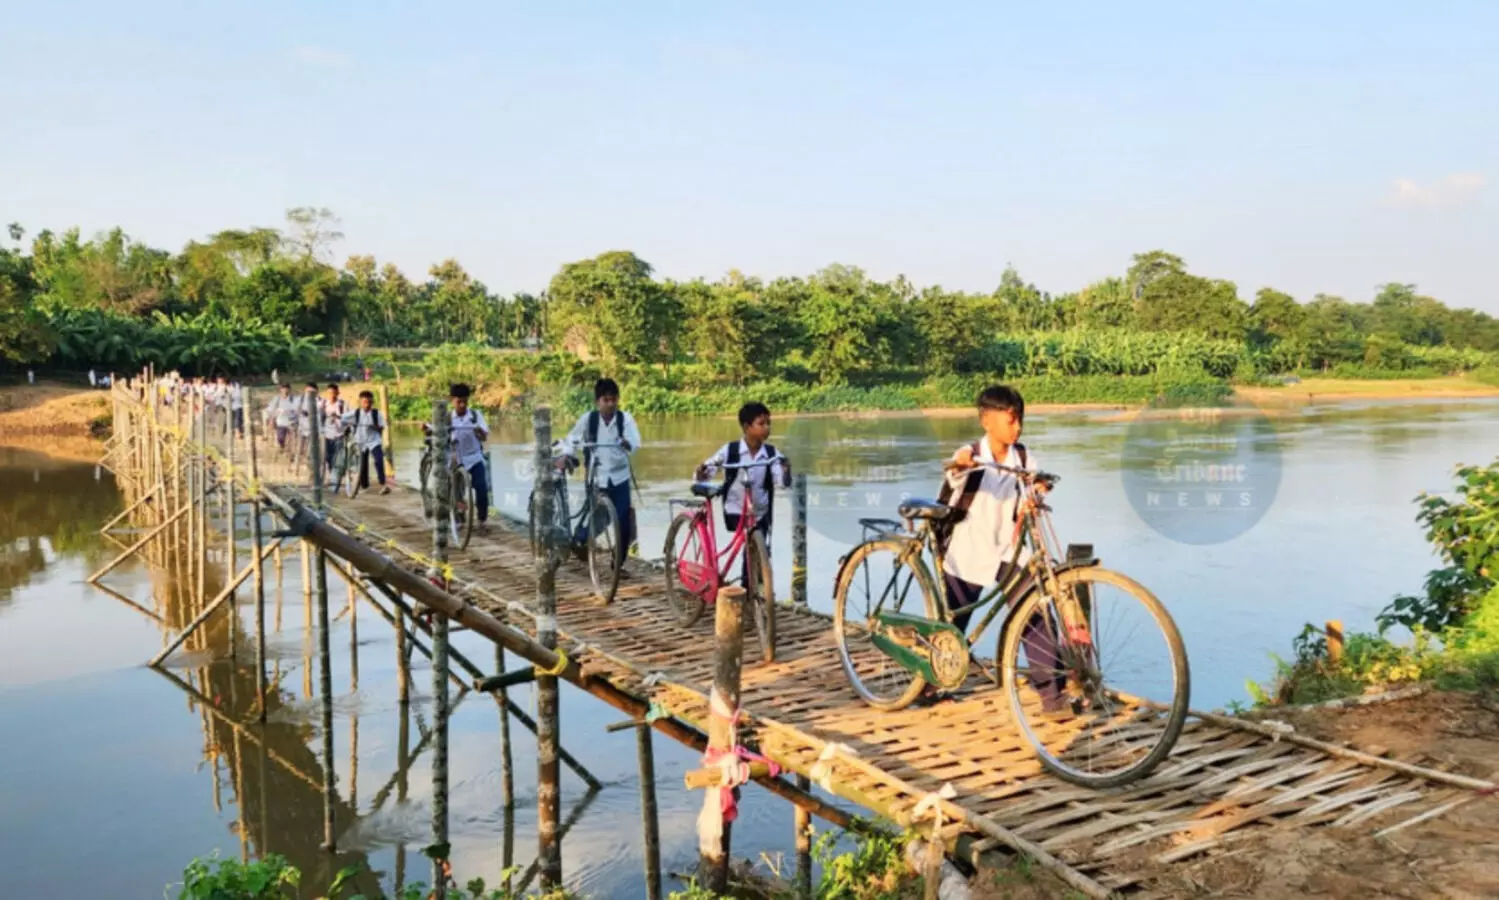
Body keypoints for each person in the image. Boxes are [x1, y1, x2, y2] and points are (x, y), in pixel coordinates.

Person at [938, 384, 1062, 712]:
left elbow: (1030, 491)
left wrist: (1035, 494)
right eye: (1010, 420)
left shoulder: (1023, 457)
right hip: (968, 549)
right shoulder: (971, 454)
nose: (1017, 427)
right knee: (953, 623)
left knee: (1033, 614)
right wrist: (961, 465)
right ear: (986, 421)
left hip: (1008, 549)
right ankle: (932, 683)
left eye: (1020, 419)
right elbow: (955, 473)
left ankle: (1053, 695)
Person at [694, 402, 791, 583]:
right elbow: (710, 469)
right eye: (761, 424)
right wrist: (702, 471)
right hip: (736, 509)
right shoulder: (730, 450)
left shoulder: (771, 453)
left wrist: (786, 471)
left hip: (760, 510)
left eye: (768, 423)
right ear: (747, 427)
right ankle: (748, 585)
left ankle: (750, 587)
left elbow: (781, 482)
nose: (767, 428)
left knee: (755, 549)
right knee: (750, 547)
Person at [559, 378, 642, 564]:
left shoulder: (625, 419)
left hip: (620, 477)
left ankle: (618, 563)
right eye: (606, 400)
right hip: (597, 477)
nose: (610, 404)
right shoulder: (589, 420)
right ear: (598, 402)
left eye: (614, 399)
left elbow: (635, 444)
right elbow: (572, 439)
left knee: (624, 520)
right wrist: (567, 455)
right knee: (600, 518)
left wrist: (626, 443)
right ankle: (580, 539)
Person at [436, 384, 491, 532]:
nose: (462, 405)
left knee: (481, 488)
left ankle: (482, 520)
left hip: (474, 457)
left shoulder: (475, 416)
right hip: (456, 459)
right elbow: (438, 436)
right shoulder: (447, 418)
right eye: (459, 401)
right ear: (452, 400)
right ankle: (459, 518)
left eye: (465, 401)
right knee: (456, 490)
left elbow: (484, 437)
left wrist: (479, 432)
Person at [344, 390, 389, 494]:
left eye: (369, 402)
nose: (367, 405)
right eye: (365, 402)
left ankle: (383, 483)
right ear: (360, 402)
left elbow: (382, 427)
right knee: (362, 463)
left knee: (379, 460)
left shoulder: (376, 413)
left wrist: (375, 427)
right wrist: (347, 425)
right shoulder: (355, 413)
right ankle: (364, 485)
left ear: (372, 402)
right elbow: (343, 419)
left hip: (374, 441)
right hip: (360, 440)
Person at [319, 383, 350, 483]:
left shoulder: (343, 405)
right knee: (328, 456)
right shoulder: (323, 404)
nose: (331, 395)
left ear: (337, 393)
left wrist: (337, 417)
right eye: (329, 393)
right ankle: (332, 472)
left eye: (333, 393)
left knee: (337, 456)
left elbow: (348, 418)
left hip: (339, 434)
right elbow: (318, 417)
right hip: (327, 435)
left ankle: (335, 477)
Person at [265, 383, 298, 450]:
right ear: (280, 390)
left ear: (289, 389)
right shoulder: (277, 398)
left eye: (286, 388)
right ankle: (282, 446)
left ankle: (290, 451)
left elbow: (298, 408)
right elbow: (271, 409)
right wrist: (272, 419)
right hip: (281, 422)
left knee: (292, 438)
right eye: (283, 388)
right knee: (280, 438)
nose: (285, 390)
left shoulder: (294, 399)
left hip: (291, 421)